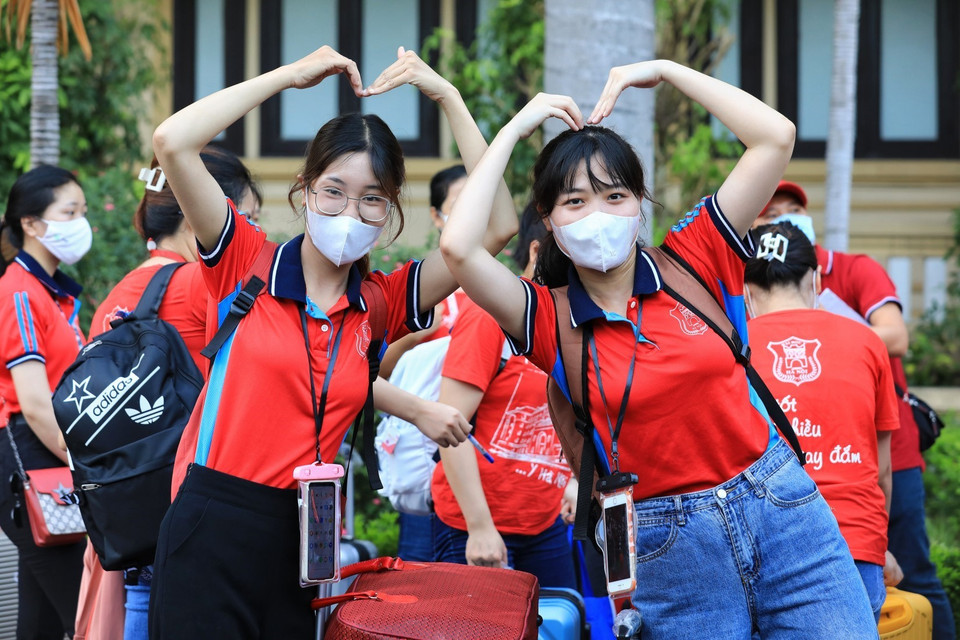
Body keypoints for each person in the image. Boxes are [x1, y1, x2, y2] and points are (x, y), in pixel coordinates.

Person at [440, 61, 879, 637]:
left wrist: (667, 72)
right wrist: (518, 128)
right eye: (574, 202)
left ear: (640, 204)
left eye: (615, 195)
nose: (598, 214)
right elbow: (458, 248)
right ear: (546, 220)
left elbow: (775, 137)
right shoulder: (547, 317)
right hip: (666, 541)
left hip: (782, 510)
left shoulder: (693, 257)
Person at [147, 44, 516, 638]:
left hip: (306, 538)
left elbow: (498, 225)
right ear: (305, 189)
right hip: (214, 521)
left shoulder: (380, 302)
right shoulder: (246, 260)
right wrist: (289, 76)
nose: (351, 210)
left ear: (391, 209)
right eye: (335, 190)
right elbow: (172, 140)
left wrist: (448, 97)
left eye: (372, 197)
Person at [73, 146, 263, 640]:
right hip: (197, 484)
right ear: (209, 207)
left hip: (134, 490)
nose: (253, 233)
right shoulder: (201, 284)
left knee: (145, 593)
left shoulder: (119, 292)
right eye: (247, 217)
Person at [756, 180, 957, 639]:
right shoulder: (753, 311)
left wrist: (826, 335)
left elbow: (897, 337)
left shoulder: (853, 270)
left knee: (917, 571)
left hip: (880, 451)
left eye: (791, 208)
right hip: (846, 491)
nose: (782, 216)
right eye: (770, 212)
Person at [744, 221, 900, 622]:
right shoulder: (867, 342)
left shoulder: (733, 347)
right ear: (813, 279)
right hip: (855, 541)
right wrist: (879, 542)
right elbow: (881, 470)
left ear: (745, 288)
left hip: (764, 543)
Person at [432, 205, 576, 586]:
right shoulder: (489, 316)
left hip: (543, 522)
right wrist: (479, 527)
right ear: (536, 252)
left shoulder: (574, 320)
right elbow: (450, 427)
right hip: (474, 525)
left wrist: (577, 479)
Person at [0, 165, 91, 639]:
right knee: (81, 610)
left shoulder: (52, 294)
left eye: (83, 211)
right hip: (27, 455)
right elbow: (33, 403)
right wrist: (86, 465)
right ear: (32, 224)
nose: (81, 222)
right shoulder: (19, 290)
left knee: (40, 614)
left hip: (43, 455)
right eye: (69, 212)